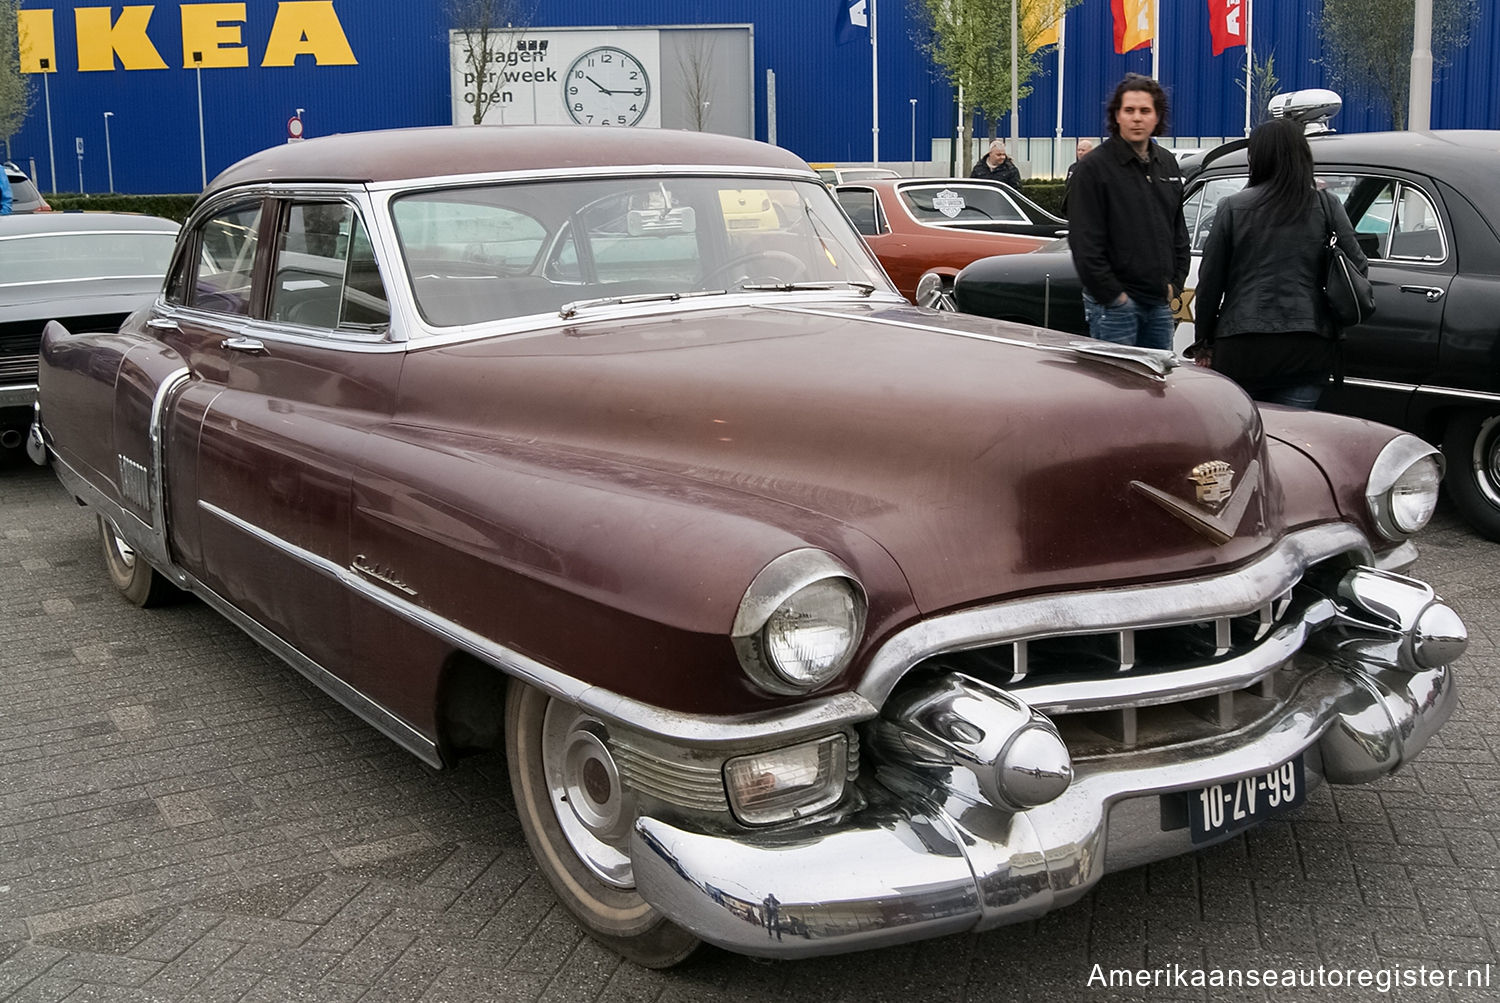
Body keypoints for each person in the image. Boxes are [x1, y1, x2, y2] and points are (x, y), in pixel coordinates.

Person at [1190, 118, 1368, 409]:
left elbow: (1210, 283)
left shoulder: (1232, 207)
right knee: (1292, 441)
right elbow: (1358, 267)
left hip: (1242, 346)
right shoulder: (1326, 205)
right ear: (1303, 157)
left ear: (1256, 158)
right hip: (1307, 345)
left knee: (1247, 439)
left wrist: (1204, 343)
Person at [1067, 74, 1188, 350]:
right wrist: (1114, 296)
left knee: (1158, 389)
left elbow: (1177, 231)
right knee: (1118, 391)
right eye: (1129, 110)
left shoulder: (1167, 164)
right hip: (1115, 308)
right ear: (1117, 116)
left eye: (1145, 111)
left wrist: (1175, 285)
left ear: (1157, 117)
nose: (1137, 118)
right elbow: (1084, 244)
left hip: (1158, 304)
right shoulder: (1094, 169)